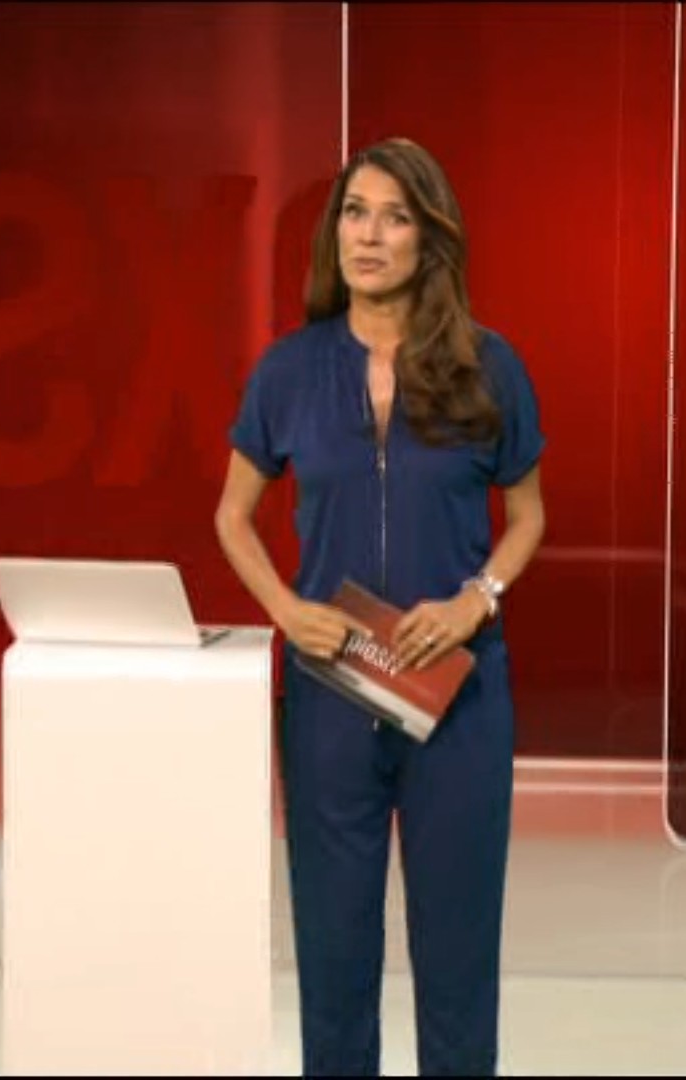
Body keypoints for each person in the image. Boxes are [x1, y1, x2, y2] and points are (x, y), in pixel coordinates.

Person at [213, 137, 547, 1077]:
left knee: (458, 955)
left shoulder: (490, 366)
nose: (369, 235)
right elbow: (232, 515)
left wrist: (478, 599)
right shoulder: (288, 371)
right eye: (355, 213)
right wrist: (286, 610)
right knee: (334, 953)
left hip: (459, 698)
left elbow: (528, 517)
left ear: (428, 238)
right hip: (330, 692)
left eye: (395, 217)